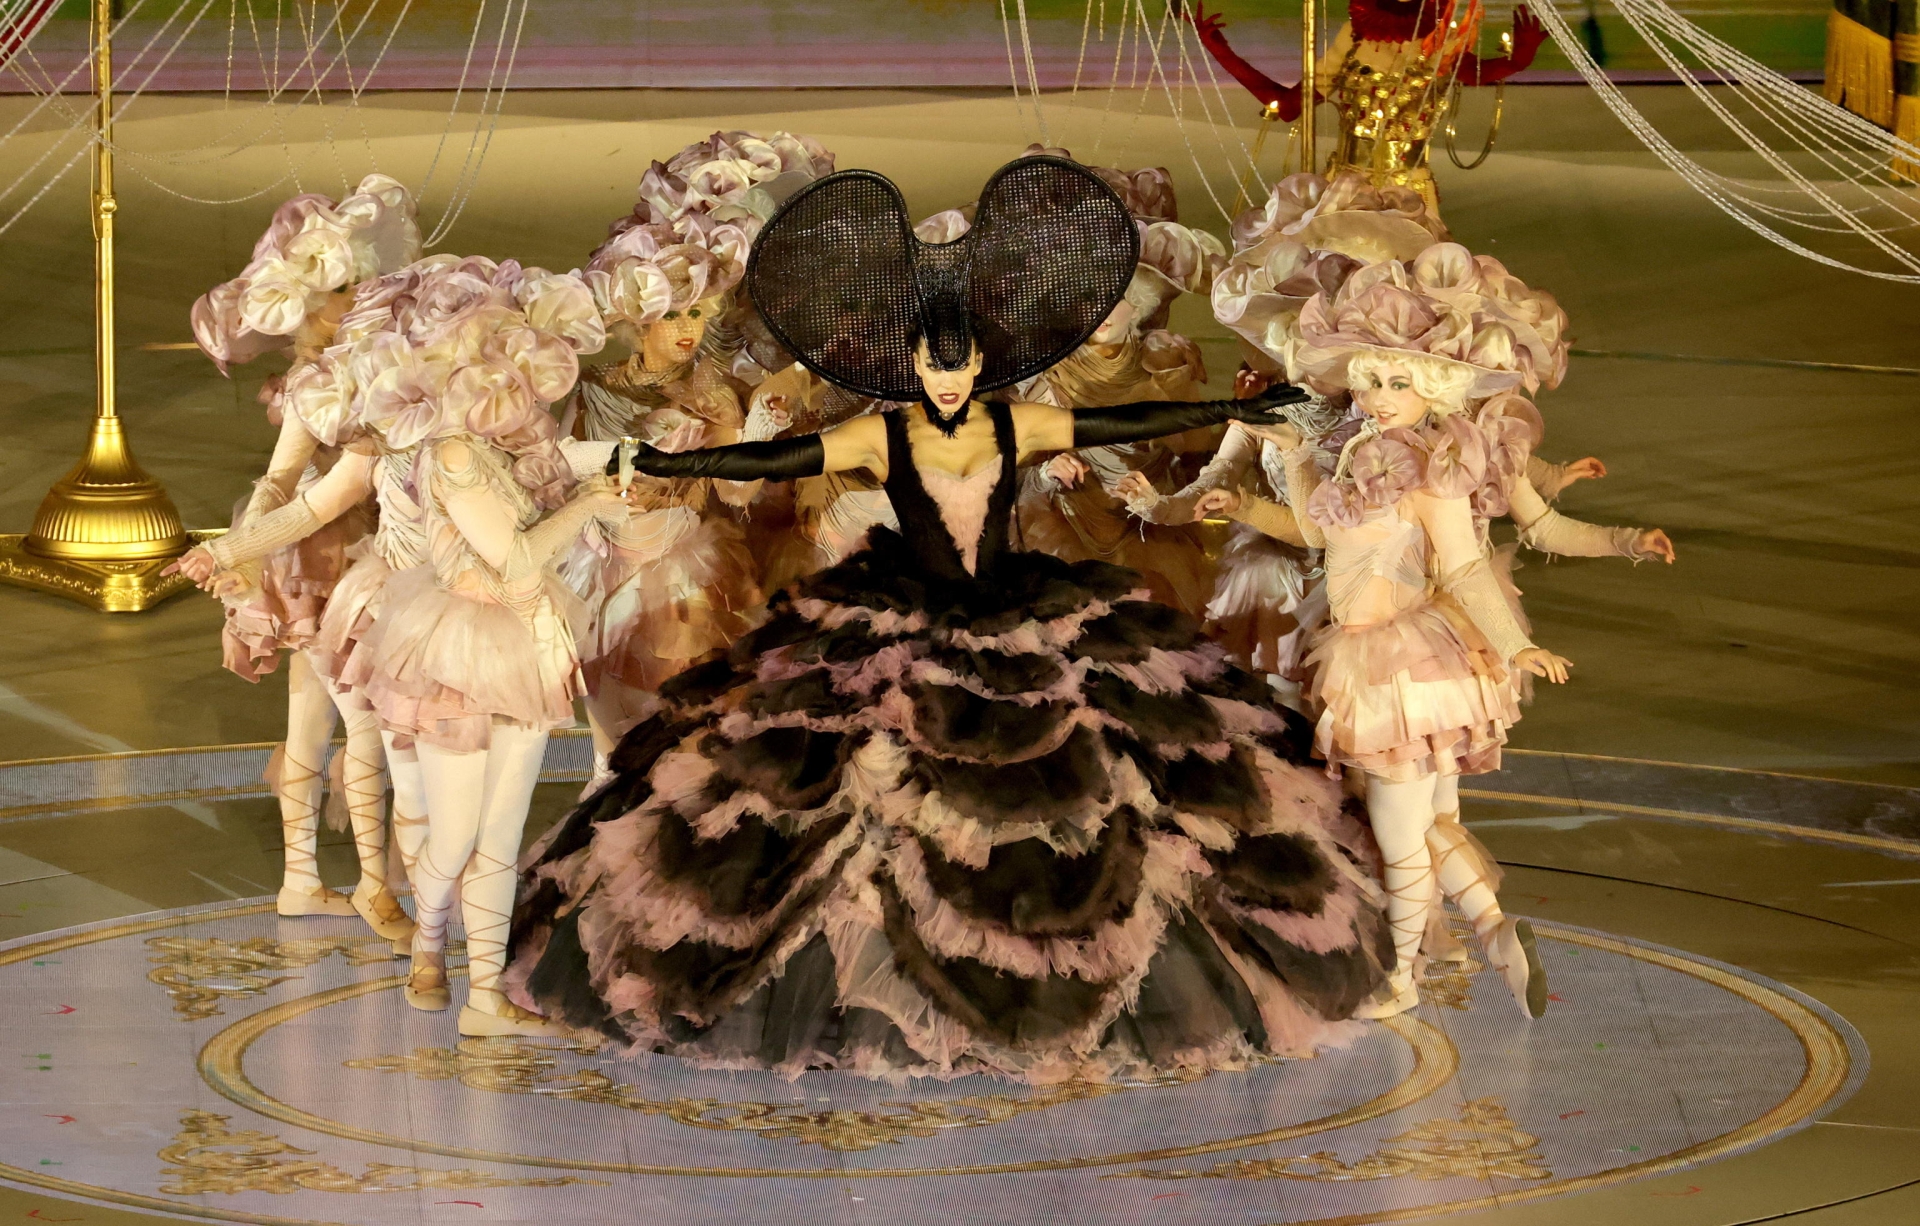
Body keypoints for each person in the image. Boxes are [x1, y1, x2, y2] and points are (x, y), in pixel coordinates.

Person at [503, 155, 1392, 1081]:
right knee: (848, 782)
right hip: (900, 611)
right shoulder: (883, 433)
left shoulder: (1014, 425)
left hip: (1017, 607)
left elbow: (1124, 424)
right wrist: (671, 466)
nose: (948, 378)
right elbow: (773, 464)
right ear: (914, 363)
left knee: (1098, 768)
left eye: (961, 364)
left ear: (979, 361)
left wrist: (1237, 408)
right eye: (933, 364)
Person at [181, 177, 422, 939]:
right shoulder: (316, 384)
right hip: (320, 554)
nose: (359, 299)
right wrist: (246, 552)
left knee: (314, 719)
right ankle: (372, 885)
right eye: (343, 290)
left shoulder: (367, 364)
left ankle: (302, 881)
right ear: (310, 306)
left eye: (362, 285)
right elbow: (281, 481)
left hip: (348, 543)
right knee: (359, 722)